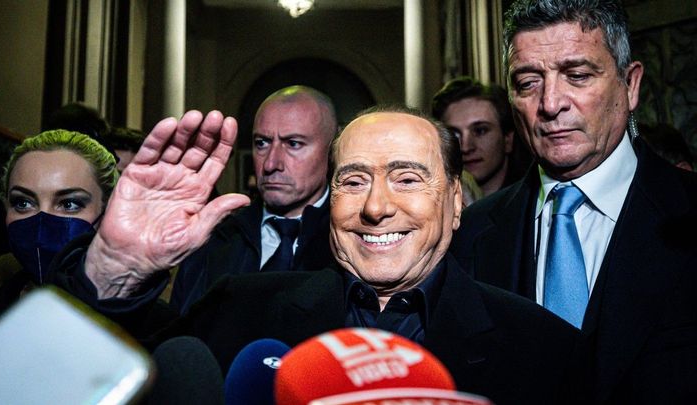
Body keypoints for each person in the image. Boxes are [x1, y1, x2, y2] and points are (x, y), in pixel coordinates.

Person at [51, 107, 581, 405]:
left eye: (407, 179)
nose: (376, 207)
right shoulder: (238, 311)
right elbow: (79, 389)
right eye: (354, 181)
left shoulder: (542, 348)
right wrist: (116, 269)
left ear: (456, 202)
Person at [451, 0, 697, 403]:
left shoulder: (687, 210)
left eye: (578, 76)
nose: (550, 104)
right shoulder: (470, 235)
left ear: (630, 84)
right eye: (528, 83)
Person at [171, 85, 337, 313]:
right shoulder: (212, 239)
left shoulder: (354, 242)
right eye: (262, 143)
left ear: (331, 151)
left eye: (293, 144)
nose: (271, 164)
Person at [0, 130, 118, 330]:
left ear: (108, 211)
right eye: (23, 203)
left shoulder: (149, 327)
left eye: (69, 204)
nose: (42, 221)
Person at [432, 76, 530, 197]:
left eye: (480, 131)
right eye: (454, 134)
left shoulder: (532, 201)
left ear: (508, 139)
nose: (466, 147)